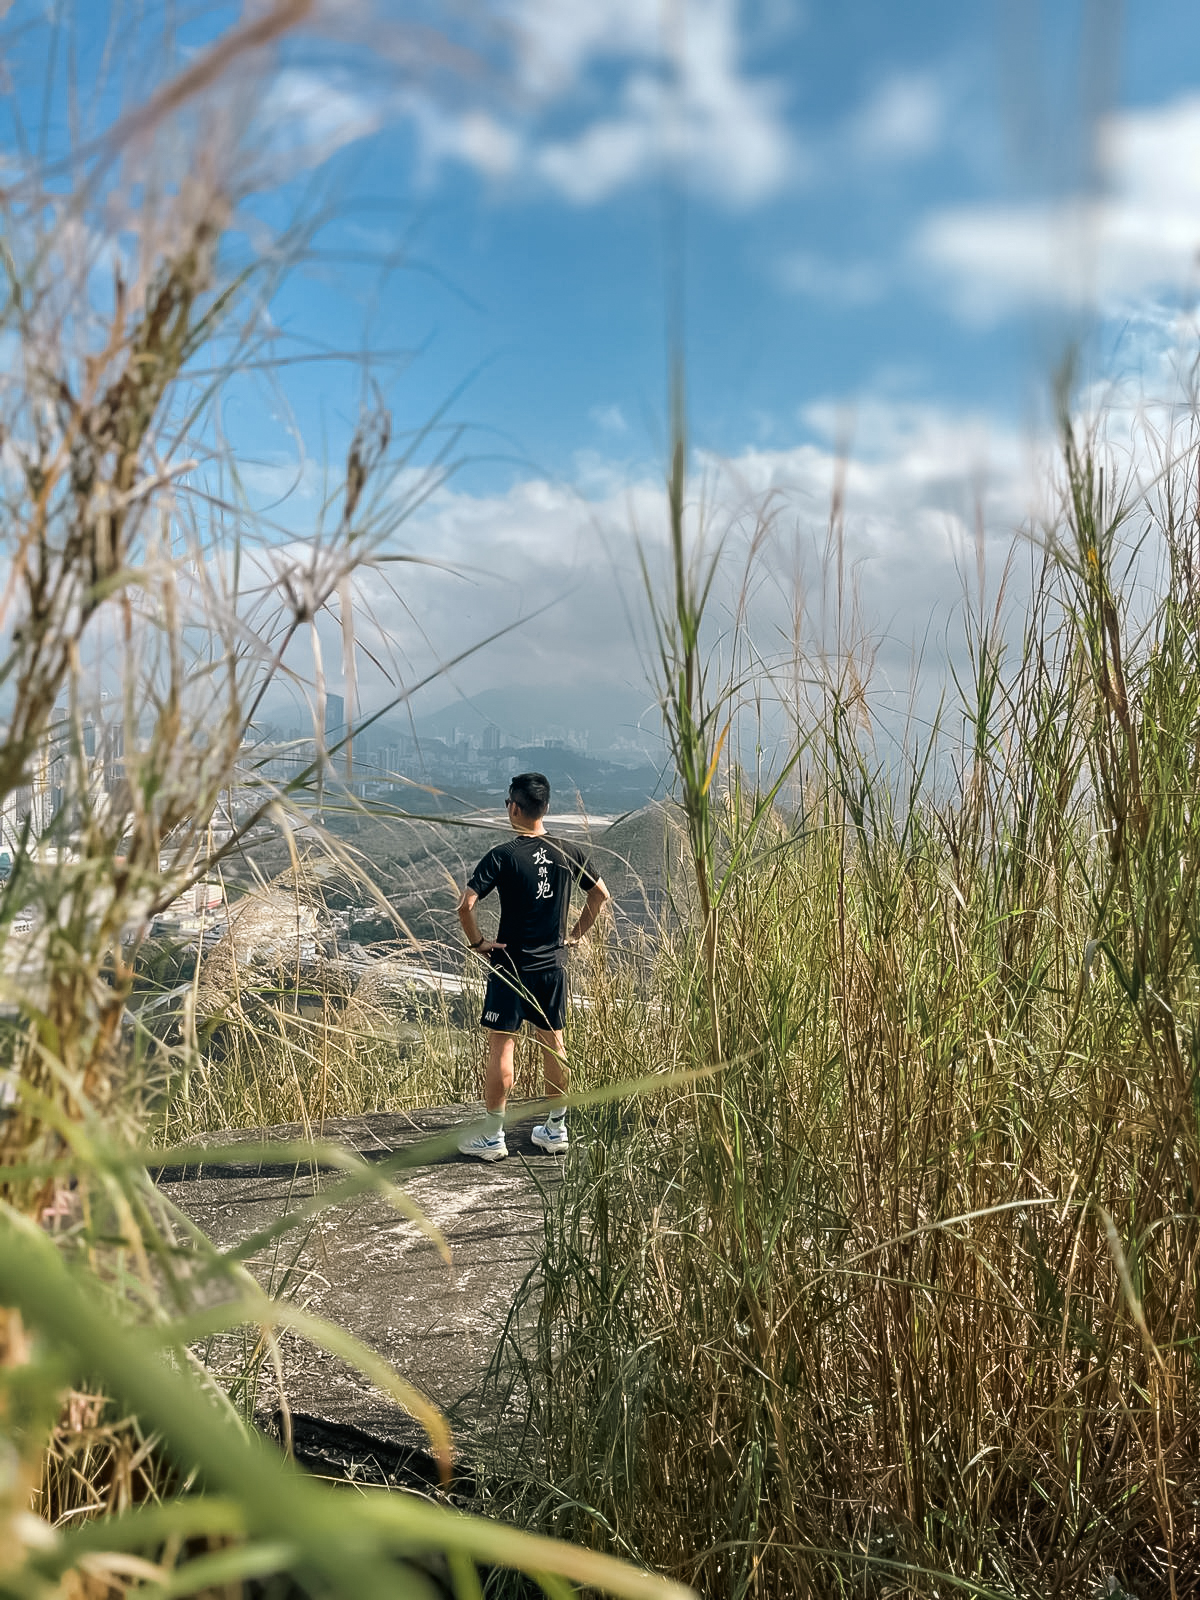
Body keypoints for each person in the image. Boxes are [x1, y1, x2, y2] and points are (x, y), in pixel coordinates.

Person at [456, 771, 610, 1161]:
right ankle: (555, 1129)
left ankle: (493, 1137)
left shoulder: (503, 855)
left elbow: (465, 906)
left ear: (514, 808)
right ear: (546, 807)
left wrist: (478, 943)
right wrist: (575, 935)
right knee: (554, 1044)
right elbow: (600, 895)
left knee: (501, 1046)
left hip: (509, 966)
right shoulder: (567, 851)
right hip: (552, 965)